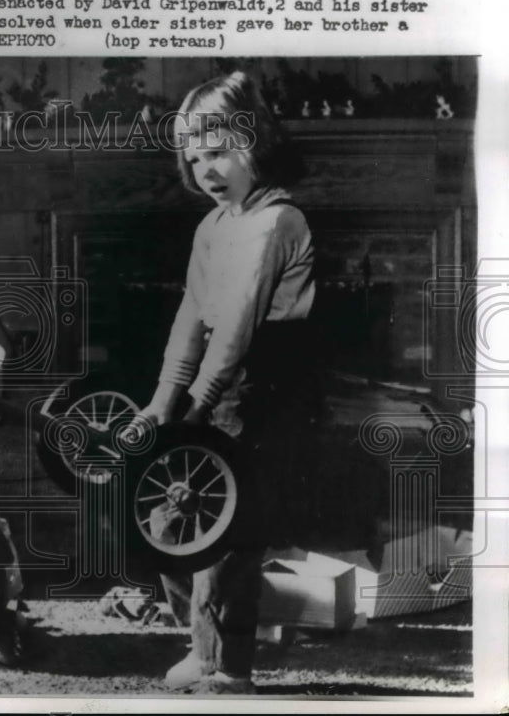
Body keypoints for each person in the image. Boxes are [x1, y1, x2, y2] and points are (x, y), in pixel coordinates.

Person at [126, 71, 318, 694]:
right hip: (217, 385)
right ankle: (199, 644)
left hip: (266, 391)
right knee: (167, 516)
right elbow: (193, 316)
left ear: (255, 141)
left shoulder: (276, 221)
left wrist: (198, 407)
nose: (206, 169)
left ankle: (230, 665)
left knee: (233, 532)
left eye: (219, 152)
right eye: (194, 157)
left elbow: (236, 326)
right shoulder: (212, 227)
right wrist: (162, 403)